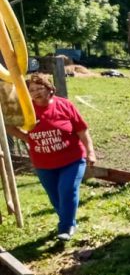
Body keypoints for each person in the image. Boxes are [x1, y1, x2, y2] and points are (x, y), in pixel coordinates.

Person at [5, 74, 96, 241]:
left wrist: (90, 151)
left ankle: (66, 227)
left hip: (72, 159)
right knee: (55, 197)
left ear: (50, 89)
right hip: (43, 163)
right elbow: (10, 127)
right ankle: (70, 220)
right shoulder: (27, 110)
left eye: (40, 88)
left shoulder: (65, 105)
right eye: (31, 90)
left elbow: (82, 130)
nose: (36, 92)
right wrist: (27, 138)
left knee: (67, 190)